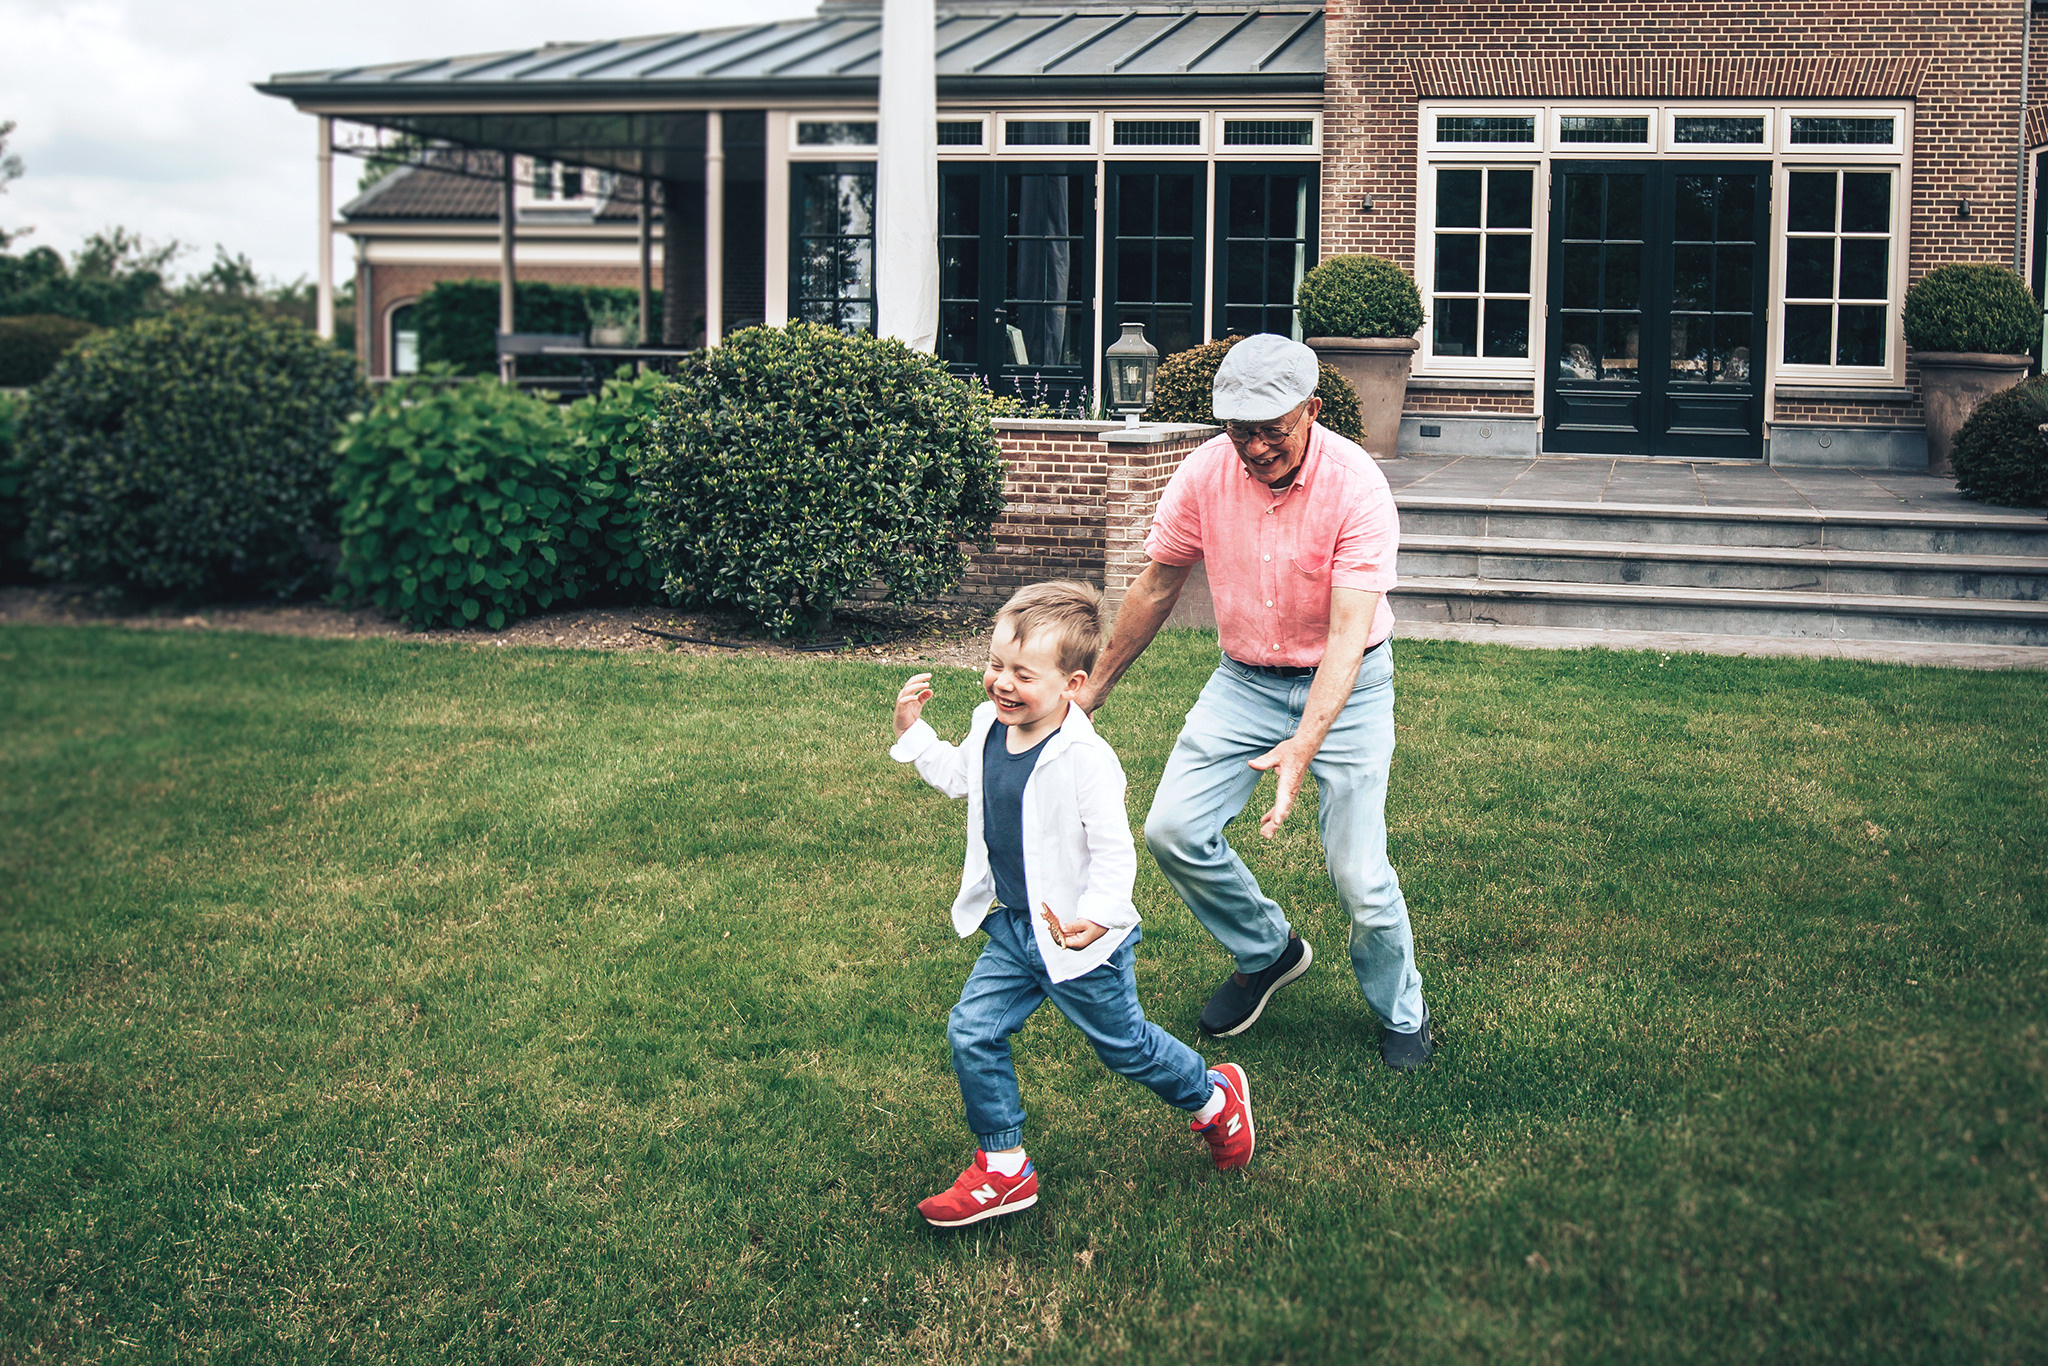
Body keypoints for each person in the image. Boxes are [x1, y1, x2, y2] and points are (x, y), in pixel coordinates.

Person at [1075, 333, 1433, 1071]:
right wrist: (1096, 687)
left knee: (1359, 876)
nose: (1257, 447)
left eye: (1273, 429)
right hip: (1244, 681)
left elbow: (1348, 634)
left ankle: (1403, 1011)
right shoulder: (1206, 472)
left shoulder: (1357, 485)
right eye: (1242, 431)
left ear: (1313, 411)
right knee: (1173, 830)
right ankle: (1267, 950)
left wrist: (1305, 743)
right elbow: (1157, 584)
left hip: (1350, 685)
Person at [889, 580, 1255, 1229]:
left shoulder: (1085, 757)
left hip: (1078, 938)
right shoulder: (987, 727)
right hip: (1015, 928)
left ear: (1072, 685)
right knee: (972, 1030)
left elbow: (1114, 848)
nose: (1002, 683)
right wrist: (915, 736)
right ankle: (1004, 1167)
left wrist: (1102, 913)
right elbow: (959, 777)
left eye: (1022, 674)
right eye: (996, 664)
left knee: (1126, 1048)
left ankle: (1214, 1098)